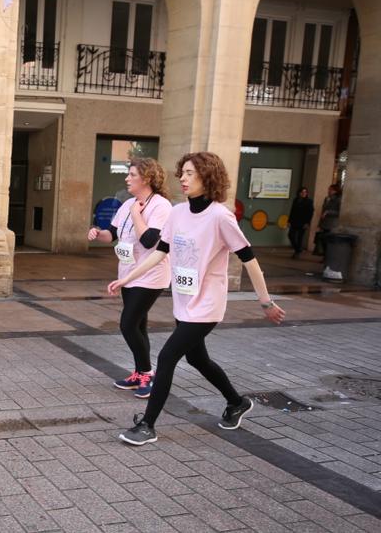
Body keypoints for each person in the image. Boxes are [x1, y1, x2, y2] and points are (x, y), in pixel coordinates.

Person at [109, 151, 285, 446]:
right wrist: (127, 278)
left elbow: (249, 260)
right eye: (183, 173)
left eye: (191, 173)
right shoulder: (178, 213)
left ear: (209, 177)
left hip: (207, 305)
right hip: (184, 301)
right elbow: (160, 252)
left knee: (167, 358)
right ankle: (236, 402)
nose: (184, 179)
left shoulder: (220, 216)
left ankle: (147, 425)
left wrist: (265, 302)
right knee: (198, 358)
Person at [88, 157, 172, 399]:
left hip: (150, 274)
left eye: (132, 174)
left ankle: (147, 373)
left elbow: (149, 241)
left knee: (127, 324)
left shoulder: (161, 206)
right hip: (128, 273)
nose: (127, 178)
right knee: (138, 325)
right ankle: (139, 372)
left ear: (146, 178)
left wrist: (137, 213)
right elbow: (111, 235)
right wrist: (97, 233)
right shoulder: (127, 204)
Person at [315, 184, 342, 256]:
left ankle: (327, 257)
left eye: (331, 190)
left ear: (336, 191)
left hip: (332, 224)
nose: (329, 191)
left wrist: (328, 212)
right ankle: (325, 256)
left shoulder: (339, 199)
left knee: (328, 242)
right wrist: (319, 224)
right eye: (329, 189)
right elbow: (323, 211)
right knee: (323, 240)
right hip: (324, 223)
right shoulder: (326, 198)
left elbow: (340, 212)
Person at [287, 186, 314, 259]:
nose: (304, 193)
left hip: (303, 222)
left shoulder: (309, 201)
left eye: (305, 192)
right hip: (294, 221)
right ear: (299, 193)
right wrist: (289, 221)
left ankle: (297, 252)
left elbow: (310, 213)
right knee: (290, 235)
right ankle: (298, 249)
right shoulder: (296, 200)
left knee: (300, 237)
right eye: (302, 192)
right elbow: (292, 211)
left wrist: (307, 223)